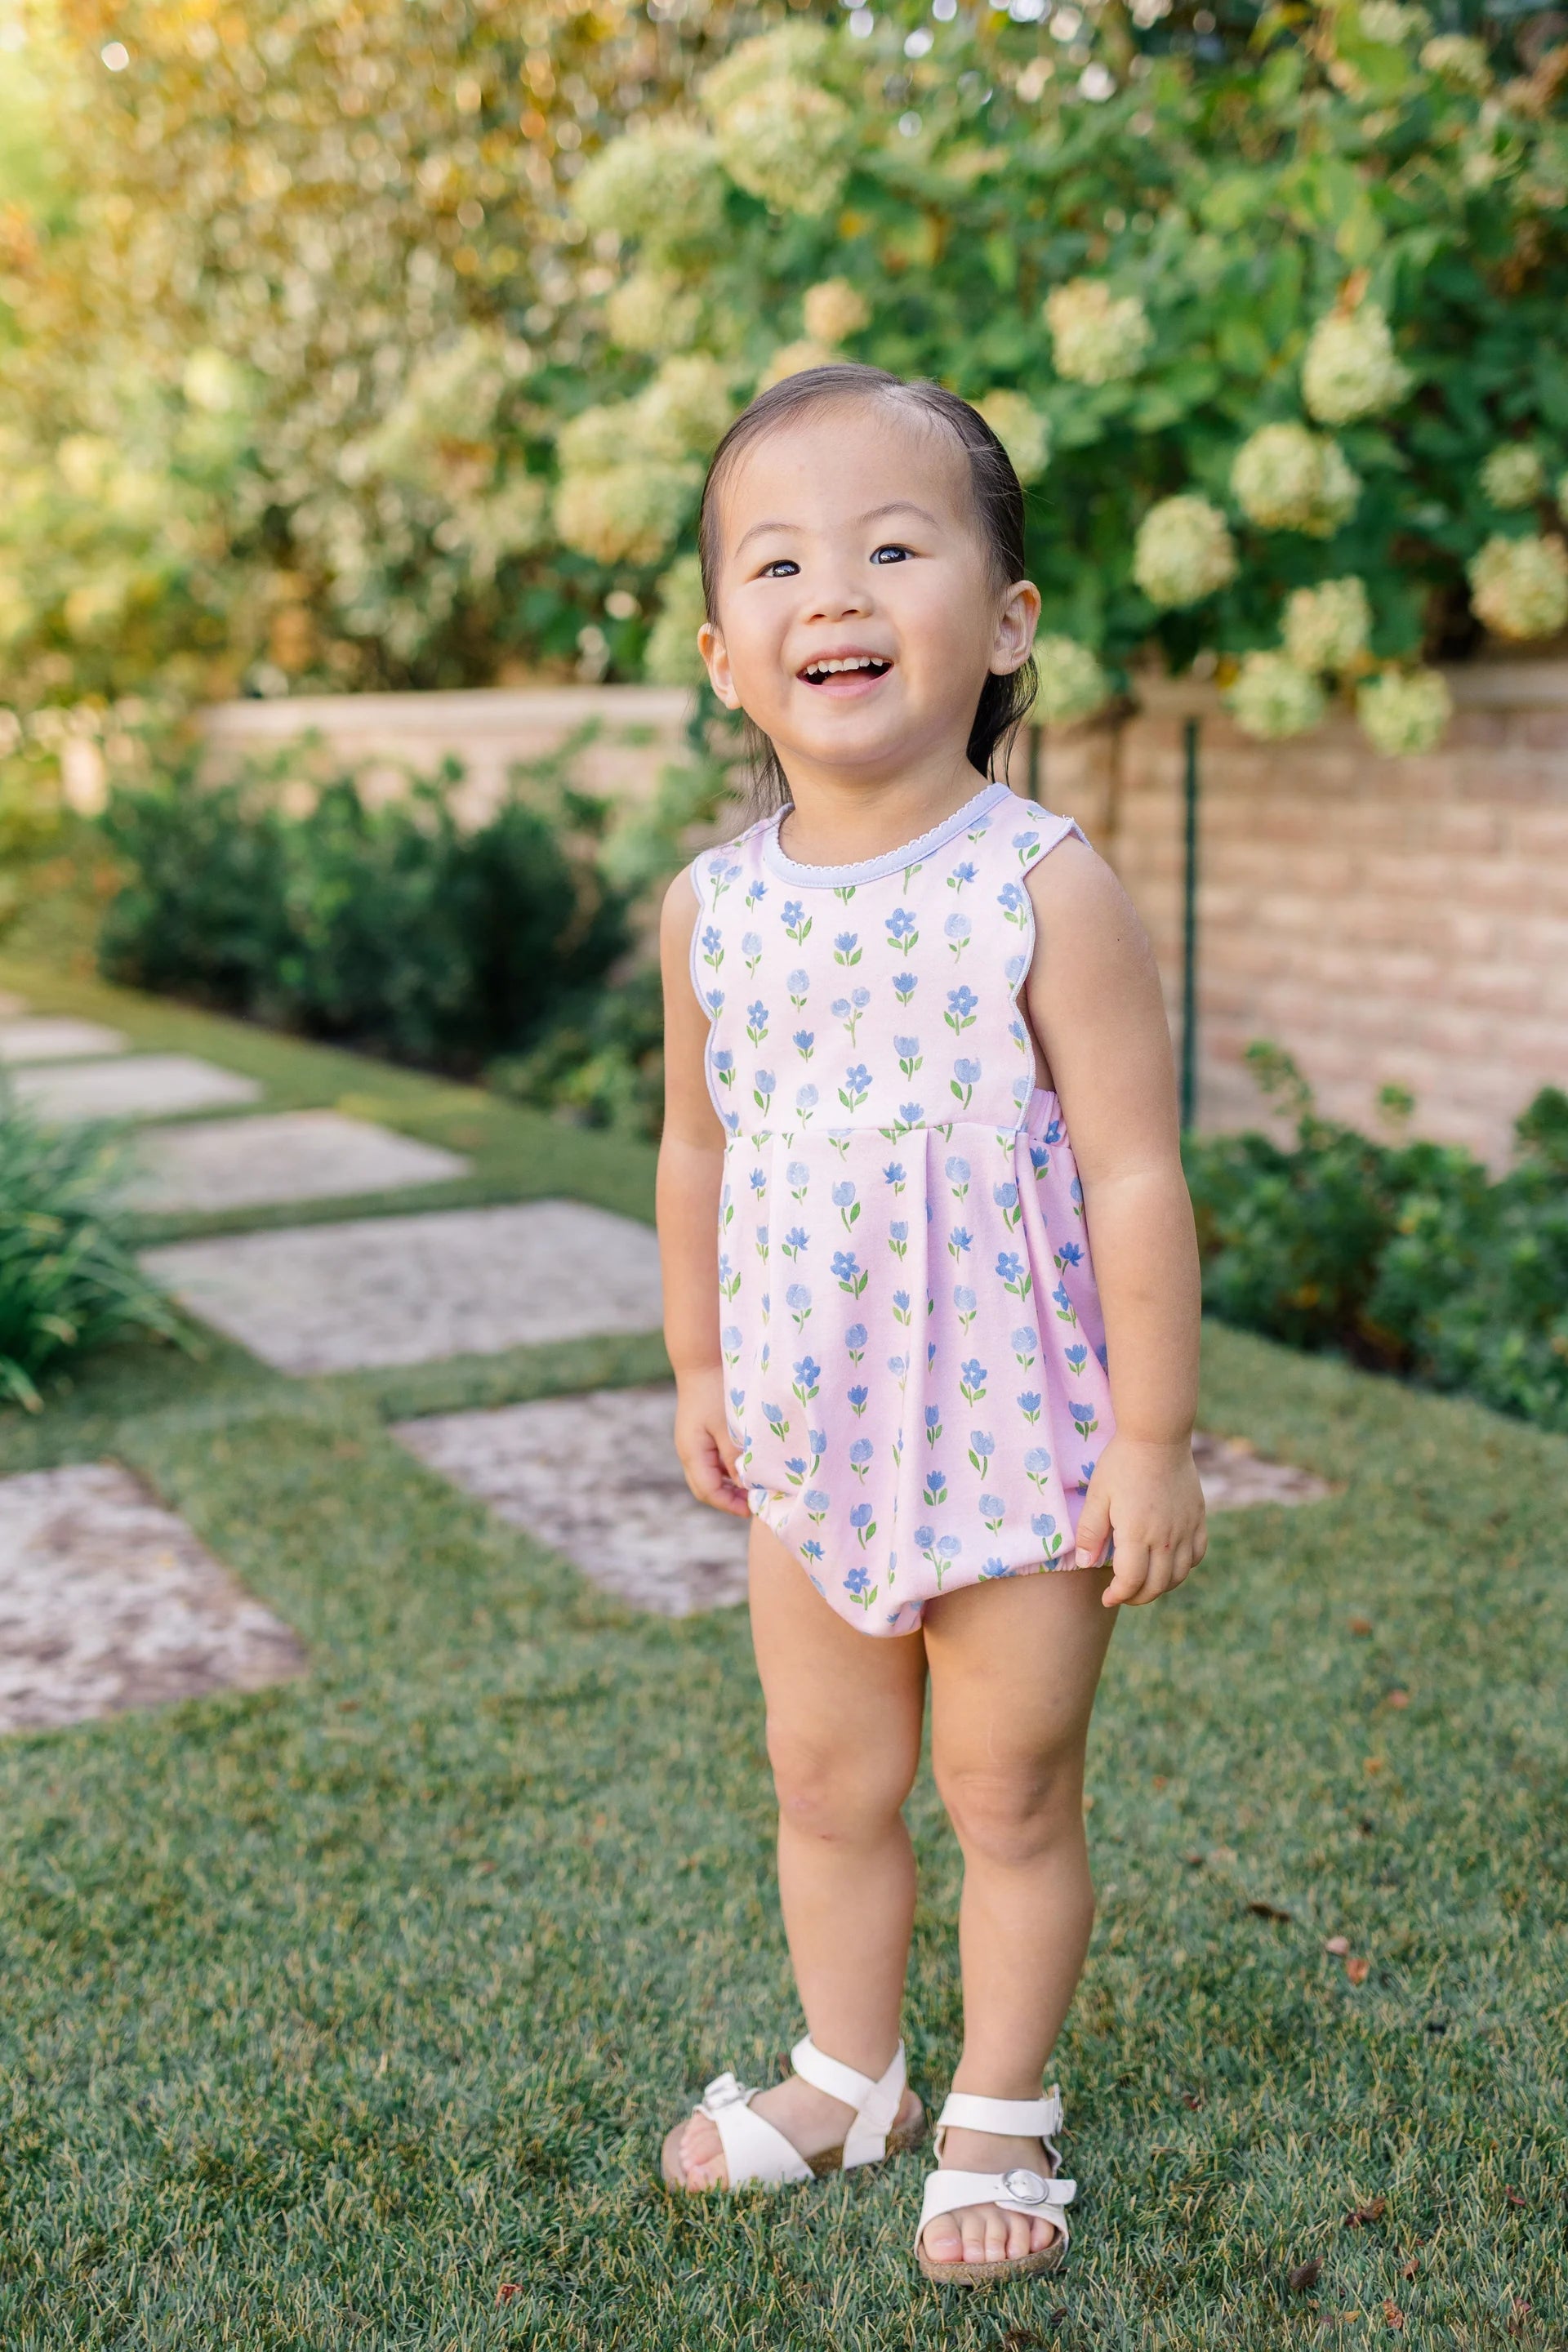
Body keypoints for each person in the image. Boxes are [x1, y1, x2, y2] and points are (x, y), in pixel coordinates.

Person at [656, 362, 1206, 2288]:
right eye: (783, 563)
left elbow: (1136, 1174)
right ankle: (848, 2072)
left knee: (1009, 1790)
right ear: (729, 653)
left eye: (896, 548)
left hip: (1016, 1445)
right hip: (811, 1435)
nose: (838, 595)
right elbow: (695, 1150)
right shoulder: (712, 909)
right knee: (825, 1782)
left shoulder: (1044, 887)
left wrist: (1150, 1440)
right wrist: (703, 1369)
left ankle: (998, 2109)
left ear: (1004, 621)